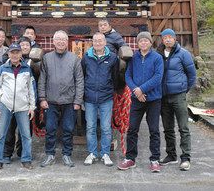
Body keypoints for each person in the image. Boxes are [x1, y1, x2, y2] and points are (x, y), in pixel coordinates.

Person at [118, 32, 164, 173]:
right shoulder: (133, 58)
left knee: (154, 130)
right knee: (132, 129)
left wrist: (141, 89)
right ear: (137, 43)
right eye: (141, 41)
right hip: (137, 99)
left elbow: (158, 77)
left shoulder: (157, 58)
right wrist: (136, 91)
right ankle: (130, 158)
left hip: (153, 99)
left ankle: (155, 159)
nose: (143, 43)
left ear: (150, 43)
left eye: (146, 41)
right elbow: (127, 75)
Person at [38, 30, 84, 168]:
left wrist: (78, 101)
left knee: (68, 129)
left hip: (69, 102)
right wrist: (42, 98)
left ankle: (67, 155)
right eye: (58, 39)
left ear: (67, 42)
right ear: (53, 41)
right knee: (50, 129)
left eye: (63, 39)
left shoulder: (74, 58)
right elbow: (42, 80)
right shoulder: (46, 58)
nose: (60, 42)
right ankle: (50, 154)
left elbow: (80, 81)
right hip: (50, 101)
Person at [0, 43, 36, 172]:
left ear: (21, 54)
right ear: (8, 54)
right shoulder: (2, 68)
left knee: (26, 135)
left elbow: (32, 89)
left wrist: (32, 107)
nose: (15, 55)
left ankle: (26, 160)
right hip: (5, 105)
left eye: (17, 52)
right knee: (0, 135)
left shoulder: (27, 69)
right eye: (12, 52)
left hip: (23, 107)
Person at [158, 28, 196, 171]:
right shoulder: (158, 54)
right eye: (165, 38)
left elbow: (192, 75)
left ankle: (185, 158)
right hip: (163, 97)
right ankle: (171, 155)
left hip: (178, 95)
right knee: (168, 128)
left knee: (183, 127)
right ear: (162, 40)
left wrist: (183, 89)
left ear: (175, 39)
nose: (167, 40)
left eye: (170, 37)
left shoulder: (183, 54)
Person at [81, 32, 119, 167]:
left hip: (106, 98)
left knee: (106, 127)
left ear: (105, 42)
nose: (98, 43)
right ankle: (92, 153)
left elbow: (115, 77)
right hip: (90, 98)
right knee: (90, 127)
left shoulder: (113, 58)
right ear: (92, 42)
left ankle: (105, 154)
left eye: (100, 41)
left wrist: (111, 91)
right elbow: (83, 75)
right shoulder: (86, 57)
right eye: (95, 41)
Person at [3, 36, 41, 162]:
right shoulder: (8, 62)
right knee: (9, 128)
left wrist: (33, 104)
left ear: (31, 48)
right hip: (10, 102)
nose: (25, 47)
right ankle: (7, 153)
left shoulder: (33, 62)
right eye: (22, 45)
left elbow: (36, 83)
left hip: (26, 101)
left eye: (27, 45)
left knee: (25, 130)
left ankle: (22, 152)